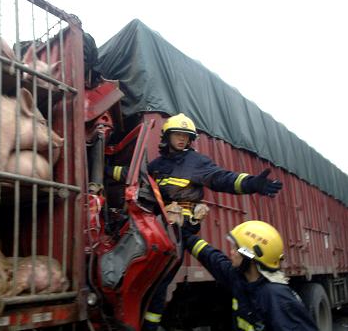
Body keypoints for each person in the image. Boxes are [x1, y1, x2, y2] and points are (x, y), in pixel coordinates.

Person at [106, 113, 284, 330]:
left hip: (180, 233)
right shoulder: (157, 165)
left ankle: (149, 326)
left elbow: (222, 179)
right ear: (167, 137)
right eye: (178, 134)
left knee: (160, 281)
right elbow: (135, 175)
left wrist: (251, 183)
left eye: (187, 136)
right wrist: (106, 168)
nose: (182, 139)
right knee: (144, 276)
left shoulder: (197, 163)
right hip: (155, 229)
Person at [180, 219, 318, 330]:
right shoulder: (239, 279)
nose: (232, 252)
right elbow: (211, 257)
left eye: (236, 249)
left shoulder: (276, 296)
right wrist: (184, 232)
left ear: (251, 257)